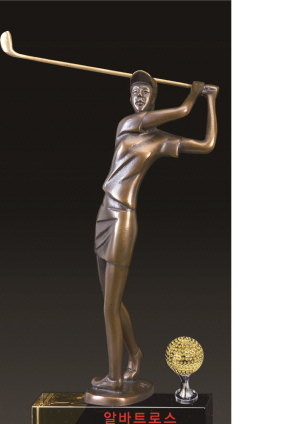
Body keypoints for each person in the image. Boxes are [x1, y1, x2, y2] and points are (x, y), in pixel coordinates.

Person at [89, 70, 219, 395]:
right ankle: (134, 354)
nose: (138, 97)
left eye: (144, 92)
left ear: (154, 98)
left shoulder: (159, 141)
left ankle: (114, 378)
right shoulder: (126, 125)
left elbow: (207, 144)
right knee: (111, 301)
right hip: (104, 214)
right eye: (134, 92)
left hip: (123, 219)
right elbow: (183, 110)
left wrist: (209, 100)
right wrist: (194, 95)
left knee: (109, 306)